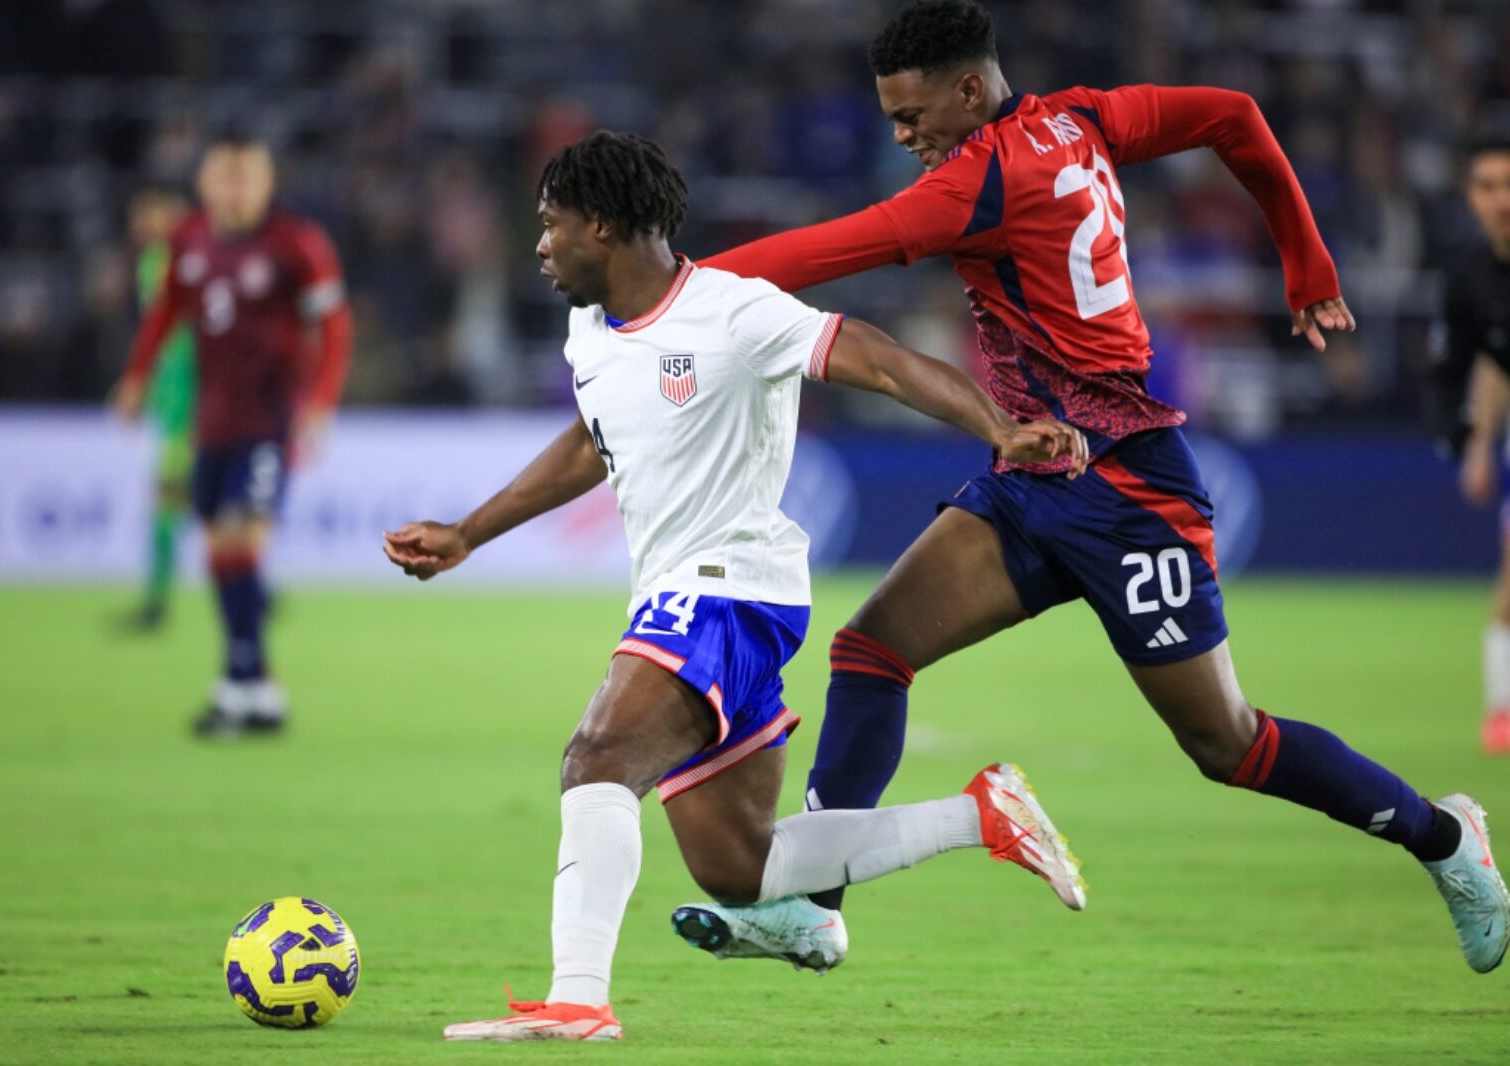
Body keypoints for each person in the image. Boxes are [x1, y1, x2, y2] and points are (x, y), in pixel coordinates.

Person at [678, 0, 1510, 975]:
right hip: (1035, 469)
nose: (901, 138)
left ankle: (1445, 841)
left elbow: (832, 249)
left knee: (1226, 743)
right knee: (870, 651)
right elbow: (1234, 115)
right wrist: (1304, 259)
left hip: (1129, 493)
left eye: (911, 117)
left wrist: (672, 290)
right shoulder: (1081, 117)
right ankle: (810, 907)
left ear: (968, 90)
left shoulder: (974, 182)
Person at [383, 131, 1090, 1042]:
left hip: (728, 587)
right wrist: (469, 533)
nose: (541, 246)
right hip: (697, 598)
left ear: (600, 223)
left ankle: (578, 999)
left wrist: (994, 426)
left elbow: (870, 353)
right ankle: (981, 814)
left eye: (551, 225)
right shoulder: (589, 332)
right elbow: (591, 441)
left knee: (595, 760)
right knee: (740, 866)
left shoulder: (732, 312)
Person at [113, 133, 353, 736]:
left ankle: (237, 682)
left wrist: (320, 403)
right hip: (209, 422)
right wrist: (137, 377)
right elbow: (165, 312)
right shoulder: (188, 240)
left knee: (242, 537)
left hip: (269, 420)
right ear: (206, 182)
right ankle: (257, 689)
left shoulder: (297, 244)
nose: (237, 190)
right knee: (221, 549)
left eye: (249, 177)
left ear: (267, 182)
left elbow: (335, 328)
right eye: (226, 176)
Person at [1427, 136, 1510, 756]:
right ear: (1471, 196)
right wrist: (1470, 439)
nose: (1501, 200)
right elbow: (1475, 362)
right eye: (1487, 186)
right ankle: (1501, 716)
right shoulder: (1470, 279)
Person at [117, 184, 197, 632]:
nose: (141, 221)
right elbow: (160, 339)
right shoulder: (152, 263)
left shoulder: (195, 261)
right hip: (175, 397)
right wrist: (143, 384)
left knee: (172, 497)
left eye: (150, 211)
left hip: (201, 398)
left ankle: (156, 602)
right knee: (188, 499)